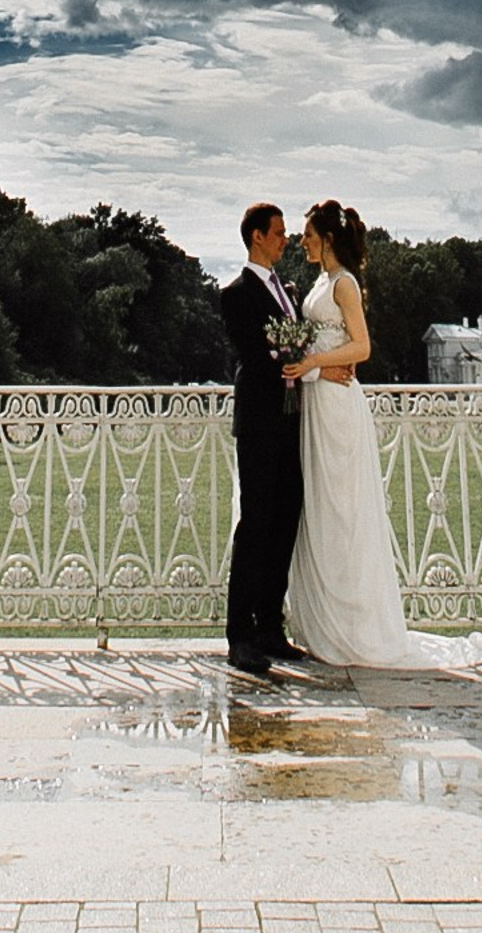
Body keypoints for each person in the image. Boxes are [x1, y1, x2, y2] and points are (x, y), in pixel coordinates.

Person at [281, 196, 482, 670]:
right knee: (321, 512)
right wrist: (309, 365)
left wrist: (312, 363)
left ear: (326, 238)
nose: (300, 242)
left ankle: (356, 627)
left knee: (343, 511)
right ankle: (324, 622)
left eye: (306, 234)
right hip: (316, 401)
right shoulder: (319, 281)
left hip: (338, 406)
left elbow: (361, 347)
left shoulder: (343, 283)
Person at [218, 201, 307, 674]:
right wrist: (286, 356)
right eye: (278, 232)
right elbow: (255, 352)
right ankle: (240, 636)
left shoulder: (290, 290)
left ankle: (271, 626)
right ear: (256, 237)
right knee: (254, 525)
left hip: (293, 421)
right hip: (258, 422)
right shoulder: (235, 294)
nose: (285, 239)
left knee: (285, 520)